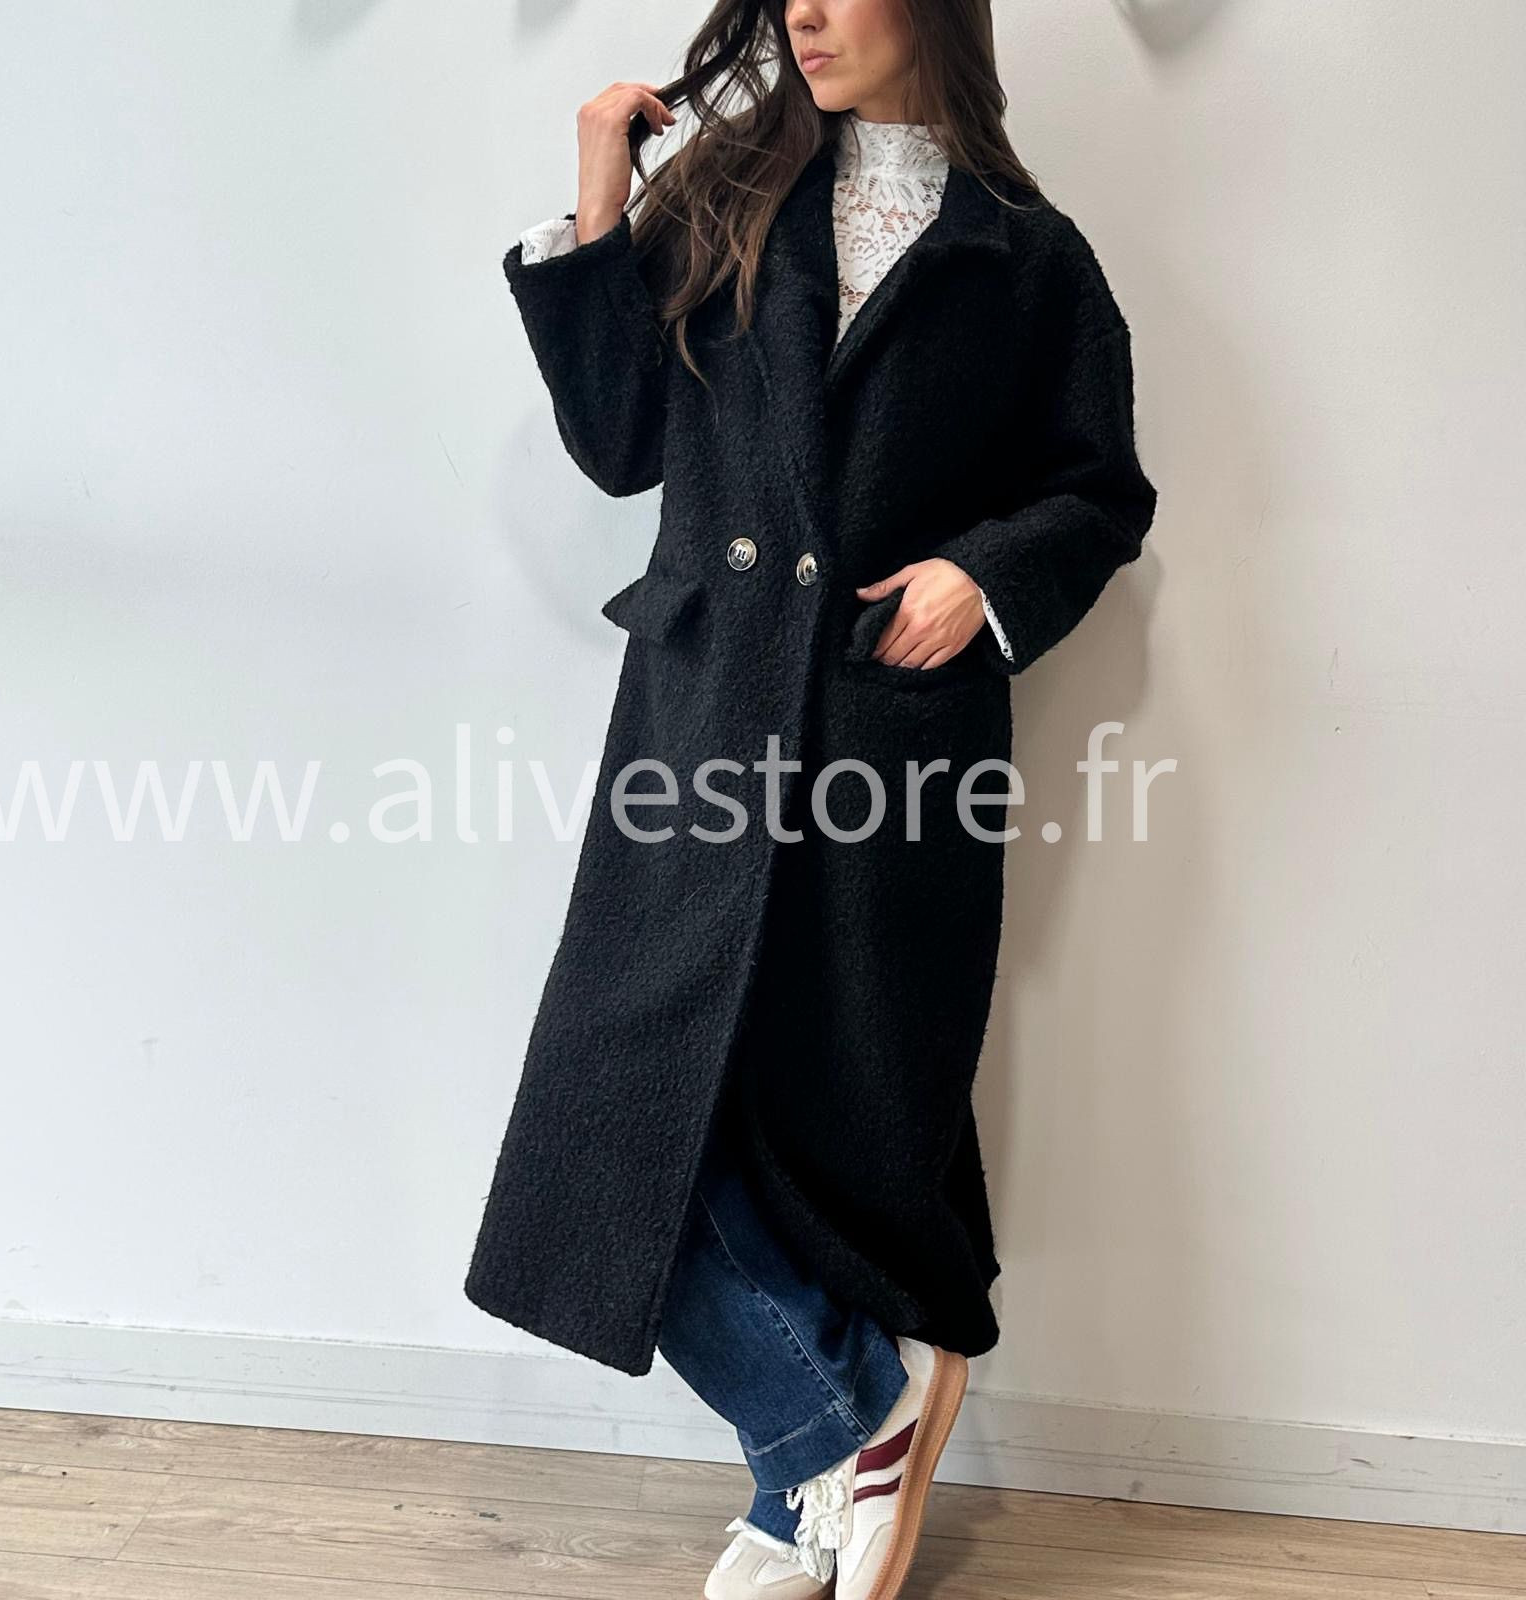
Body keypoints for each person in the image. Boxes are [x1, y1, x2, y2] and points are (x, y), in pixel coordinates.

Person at [467, 4, 1159, 1596]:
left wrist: (982, 580)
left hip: (885, 742)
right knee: (617, 1111)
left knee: (831, 1113)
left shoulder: (1029, 258)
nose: (809, 13)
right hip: (704, 723)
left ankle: (808, 1483)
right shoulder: (722, 197)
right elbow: (618, 442)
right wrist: (598, 196)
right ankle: (837, 1422)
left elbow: (1097, 490)